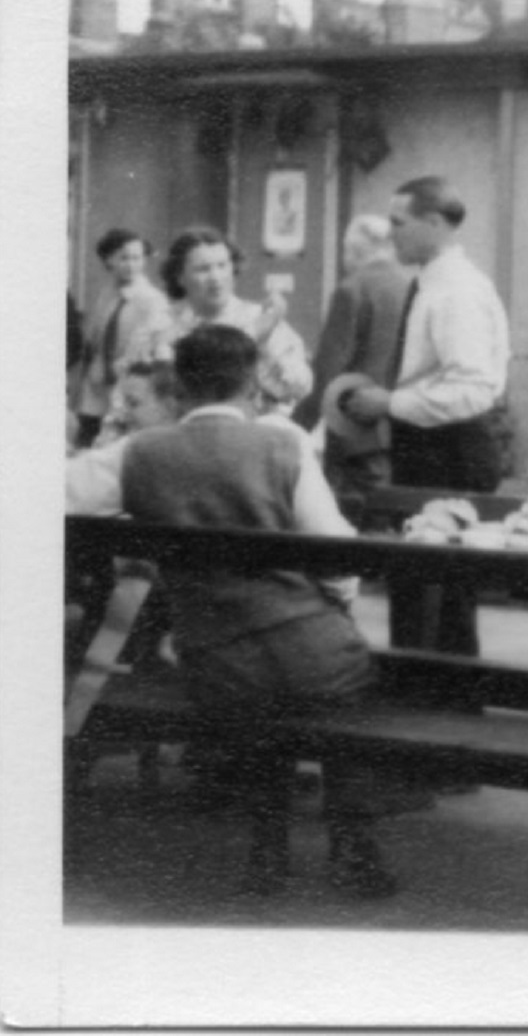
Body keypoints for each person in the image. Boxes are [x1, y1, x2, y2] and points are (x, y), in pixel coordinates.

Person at [117, 325, 402, 898]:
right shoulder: (281, 445)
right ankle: (353, 841)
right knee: (342, 681)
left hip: (212, 657)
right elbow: (336, 555)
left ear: (181, 386)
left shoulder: (141, 453)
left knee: (258, 699)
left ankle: (267, 846)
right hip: (311, 654)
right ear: (252, 383)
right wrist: (339, 600)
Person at [340, 177, 511, 494]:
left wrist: (390, 403)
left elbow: (473, 392)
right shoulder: (433, 284)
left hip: (450, 456)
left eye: (398, 223)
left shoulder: (457, 291)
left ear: (433, 223)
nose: (390, 235)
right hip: (428, 449)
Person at [292, 214, 411, 496]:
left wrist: (296, 426)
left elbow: (327, 372)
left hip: (354, 431)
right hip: (402, 429)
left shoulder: (352, 289)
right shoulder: (411, 287)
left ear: (353, 251)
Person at [138, 228, 312, 416]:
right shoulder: (160, 323)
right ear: (180, 277)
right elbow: (137, 392)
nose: (215, 277)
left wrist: (261, 346)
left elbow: (298, 388)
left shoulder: (260, 319)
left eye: (222, 266)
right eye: (203, 269)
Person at [72, 230, 173, 447]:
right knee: (87, 438)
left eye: (137, 258)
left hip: (128, 383)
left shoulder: (152, 300)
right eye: (124, 258)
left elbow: (158, 347)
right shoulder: (107, 295)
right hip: (97, 384)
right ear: (109, 260)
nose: (131, 265)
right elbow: (95, 339)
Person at [66, 361, 182, 515]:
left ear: (168, 407)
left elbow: (73, 489)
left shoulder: (140, 453)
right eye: (124, 403)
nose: (123, 413)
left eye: (133, 403)